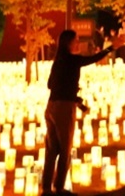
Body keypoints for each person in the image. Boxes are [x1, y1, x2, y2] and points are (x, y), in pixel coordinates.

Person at [43, 29, 112, 195]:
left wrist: (76, 98)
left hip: (51, 106)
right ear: (69, 43)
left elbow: (50, 85)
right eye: (77, 40)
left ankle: (46, 188)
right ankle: (59, 188)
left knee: (51, 150)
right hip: (64, 109)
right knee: (65, 149)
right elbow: (94, 58)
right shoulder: (73, 61)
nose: (78, 42)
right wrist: (111, 48)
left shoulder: (58, 61)